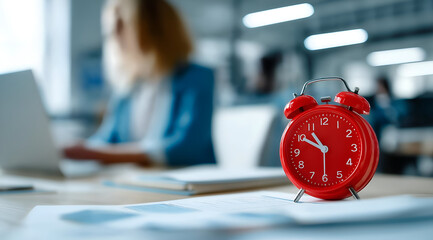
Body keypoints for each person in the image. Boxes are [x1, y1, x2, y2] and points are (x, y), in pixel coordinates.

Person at [63, 0, 216, 166]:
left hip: (191, 185)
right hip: (137, 184)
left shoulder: (197, 78)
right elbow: (108, 139)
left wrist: (100, 154)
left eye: (122, 26)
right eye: (112, 29)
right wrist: (80, 148)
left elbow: (185, 148)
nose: (115, 36)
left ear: (153, 27)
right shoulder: (128, 87)